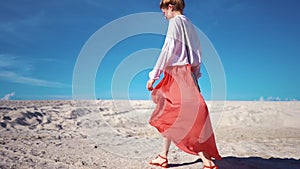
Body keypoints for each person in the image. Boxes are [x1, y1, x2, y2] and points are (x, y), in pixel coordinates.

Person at [146, 0, 222, 168]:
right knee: (176, 113)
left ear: (170, 7)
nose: (163, 14)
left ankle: (204, 159)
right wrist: (194, 75)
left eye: (164, 10)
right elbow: (197, 52)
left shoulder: (175, 22)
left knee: (170, 113)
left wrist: (154, 75)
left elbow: (168, 48)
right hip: (188, 73)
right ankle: (165, 156)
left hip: (176, 73)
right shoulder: (190, 24)